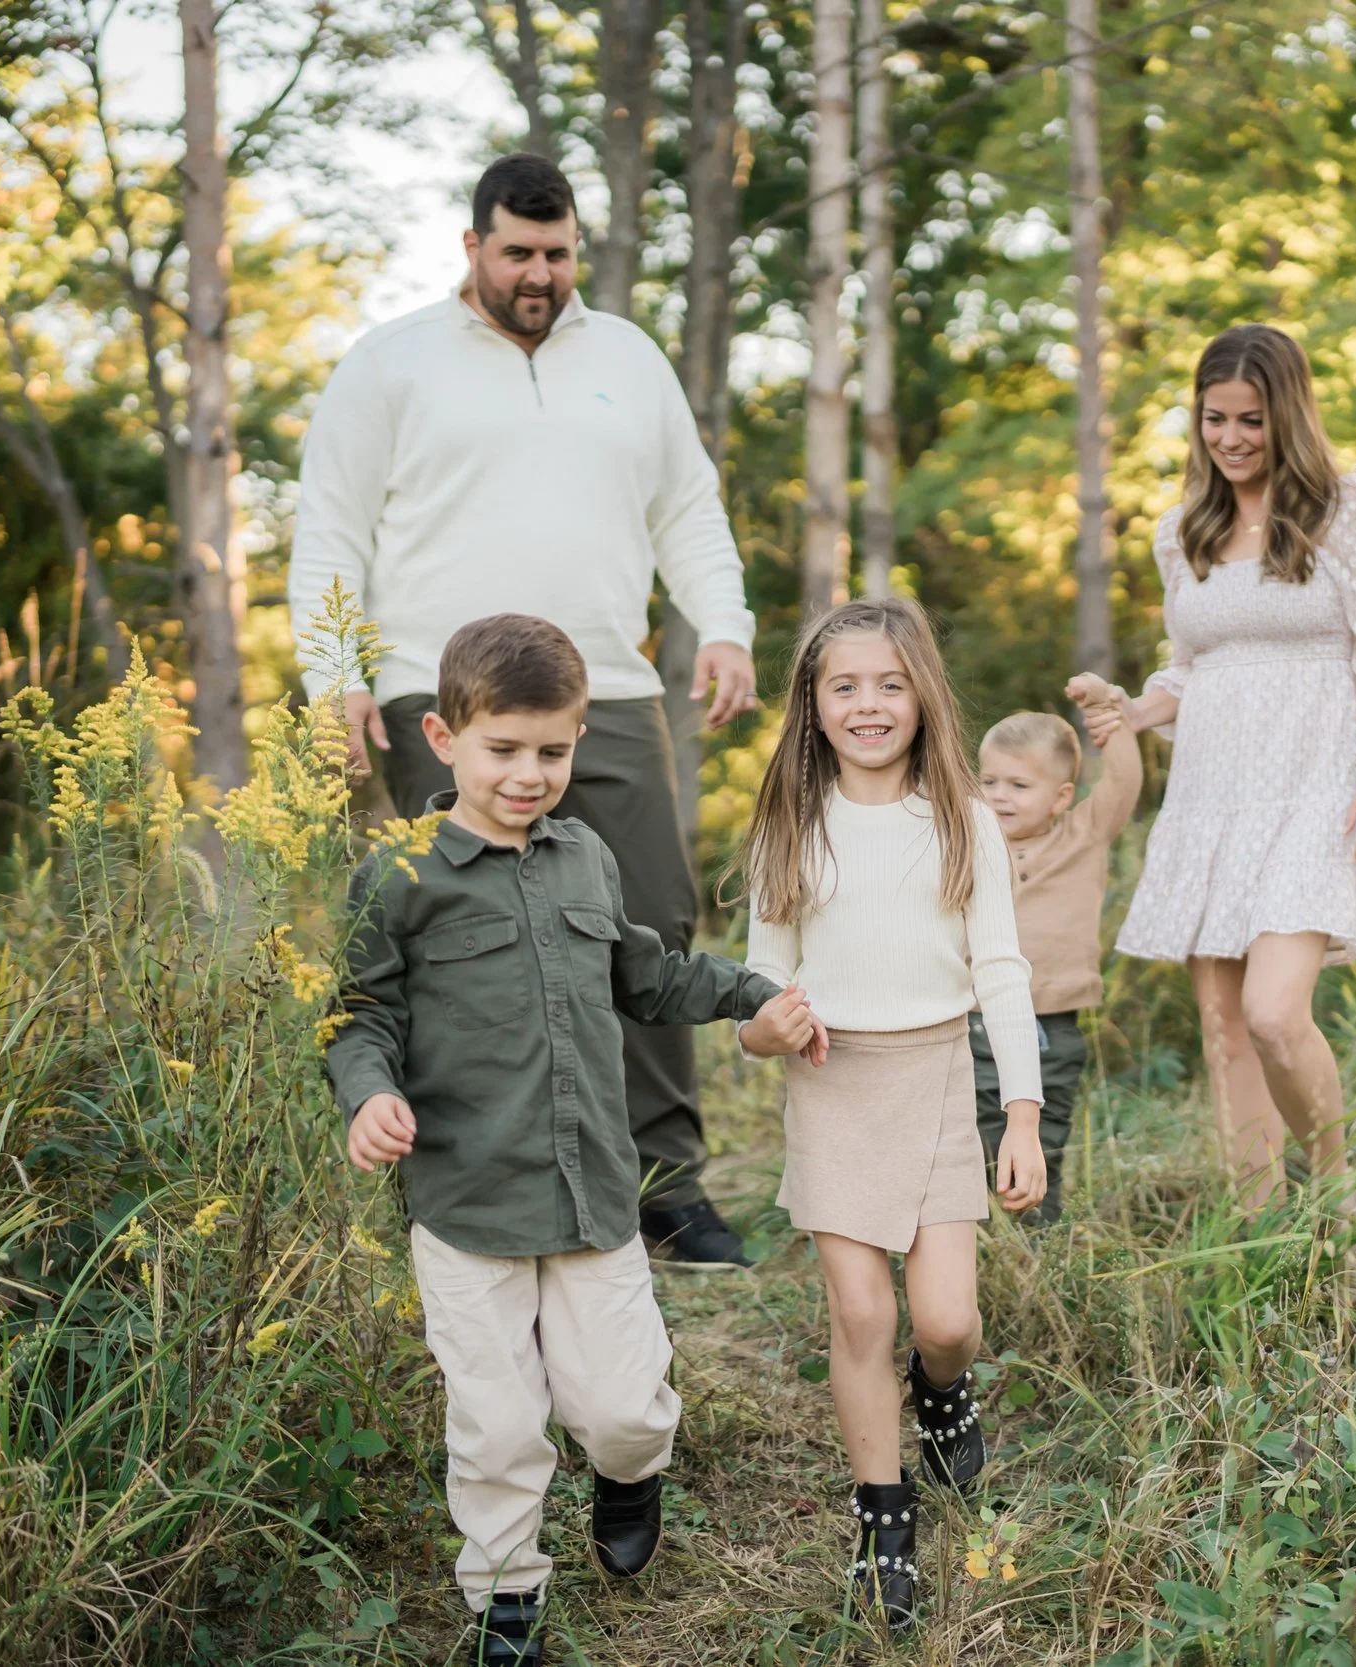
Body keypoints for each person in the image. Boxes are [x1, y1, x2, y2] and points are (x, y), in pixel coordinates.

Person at [291, 151, 762, 1269]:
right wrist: (332, 674)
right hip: (435, 693)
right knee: (459, 942)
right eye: (517, 252)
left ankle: (664, 1187)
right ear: (472, 246)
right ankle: (465, 1191)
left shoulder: (628, 358)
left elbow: (687, 507)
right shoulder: (391, 363)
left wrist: (727, 622)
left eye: (556, 254)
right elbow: (330, 528)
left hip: (611, 685)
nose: (538, 274)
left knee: (645, 923)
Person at [326, 615, 823, 1666]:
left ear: (579, 739)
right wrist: (368, 1094)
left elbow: (644, 971)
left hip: (592, 1187)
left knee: (626, 1407)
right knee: (498, 1423)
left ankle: (627, 1471)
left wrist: (751, 996)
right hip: (466, 1199)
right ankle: (504, 1600)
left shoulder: (585, 855)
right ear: (443, 735)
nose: (528, 772)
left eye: (552, 750)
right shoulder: (401, 874)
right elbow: (358, 1012)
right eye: (503, 748)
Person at [1088, 324, 1356, 1277]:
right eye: (1215, 418)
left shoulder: (1348, 511)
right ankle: (1261, 1244)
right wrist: (1134, 708)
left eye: (1252, 419)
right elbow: (1192, 669)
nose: (1232, 438)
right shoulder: (1184, 531)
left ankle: (1340, 1206)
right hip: (1213, 789)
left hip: (1316, 781)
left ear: (1288, 415)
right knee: (1222, 1027)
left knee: (1278, 1012)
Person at [737, 597, 1045, 1629]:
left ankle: (943, 1389)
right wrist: (762, 1028)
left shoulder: (964, 818)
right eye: (844, 685)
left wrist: (1024, 1114)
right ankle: (882, 1517)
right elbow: (757, 984)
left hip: (937, 1077)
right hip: (831, 1079)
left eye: (889, 683)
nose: (868, 704)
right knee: (860, 1312)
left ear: (922, 694)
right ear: (812, 705)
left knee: (945, 1318)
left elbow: (1000, 971)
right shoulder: (788, 822)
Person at [969, 676, 1143, 1224]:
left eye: (1019, 785)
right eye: (990, 780)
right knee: (980, 1131)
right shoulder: (971, 840)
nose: (999, 795)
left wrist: (1105, 711)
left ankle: (1039, 1238)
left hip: (1055, 1021)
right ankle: (978, 1235)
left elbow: (1124, 780)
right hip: (977, 1020)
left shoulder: (1082, 835)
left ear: (1061, 796)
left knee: (1045, 1136)